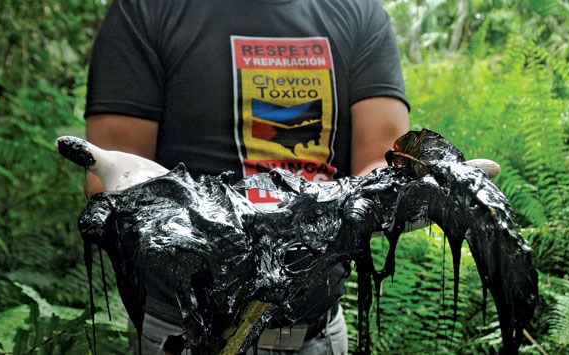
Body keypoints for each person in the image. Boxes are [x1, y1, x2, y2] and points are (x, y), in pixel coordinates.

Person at [83, 0, 409, 353]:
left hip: (316, 334)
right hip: (182, 332)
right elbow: (112, 173)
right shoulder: (147, 9)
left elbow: (382, 158)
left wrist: (419, 187)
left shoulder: (358, 12)